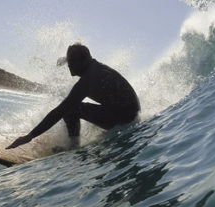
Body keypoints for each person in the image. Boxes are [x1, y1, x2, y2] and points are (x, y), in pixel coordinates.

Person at [8, 42, 140, 149]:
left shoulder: (87, 81)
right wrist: (66, 59)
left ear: (81, 62)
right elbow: (81, 56)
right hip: (133, 113)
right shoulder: (94, 66)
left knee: (70, 109)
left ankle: (73, 146)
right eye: (69, 61)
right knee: (74, 107)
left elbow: (59, 111)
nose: (69, 65)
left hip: (124, 119)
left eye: (71, 62)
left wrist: (29, 136)